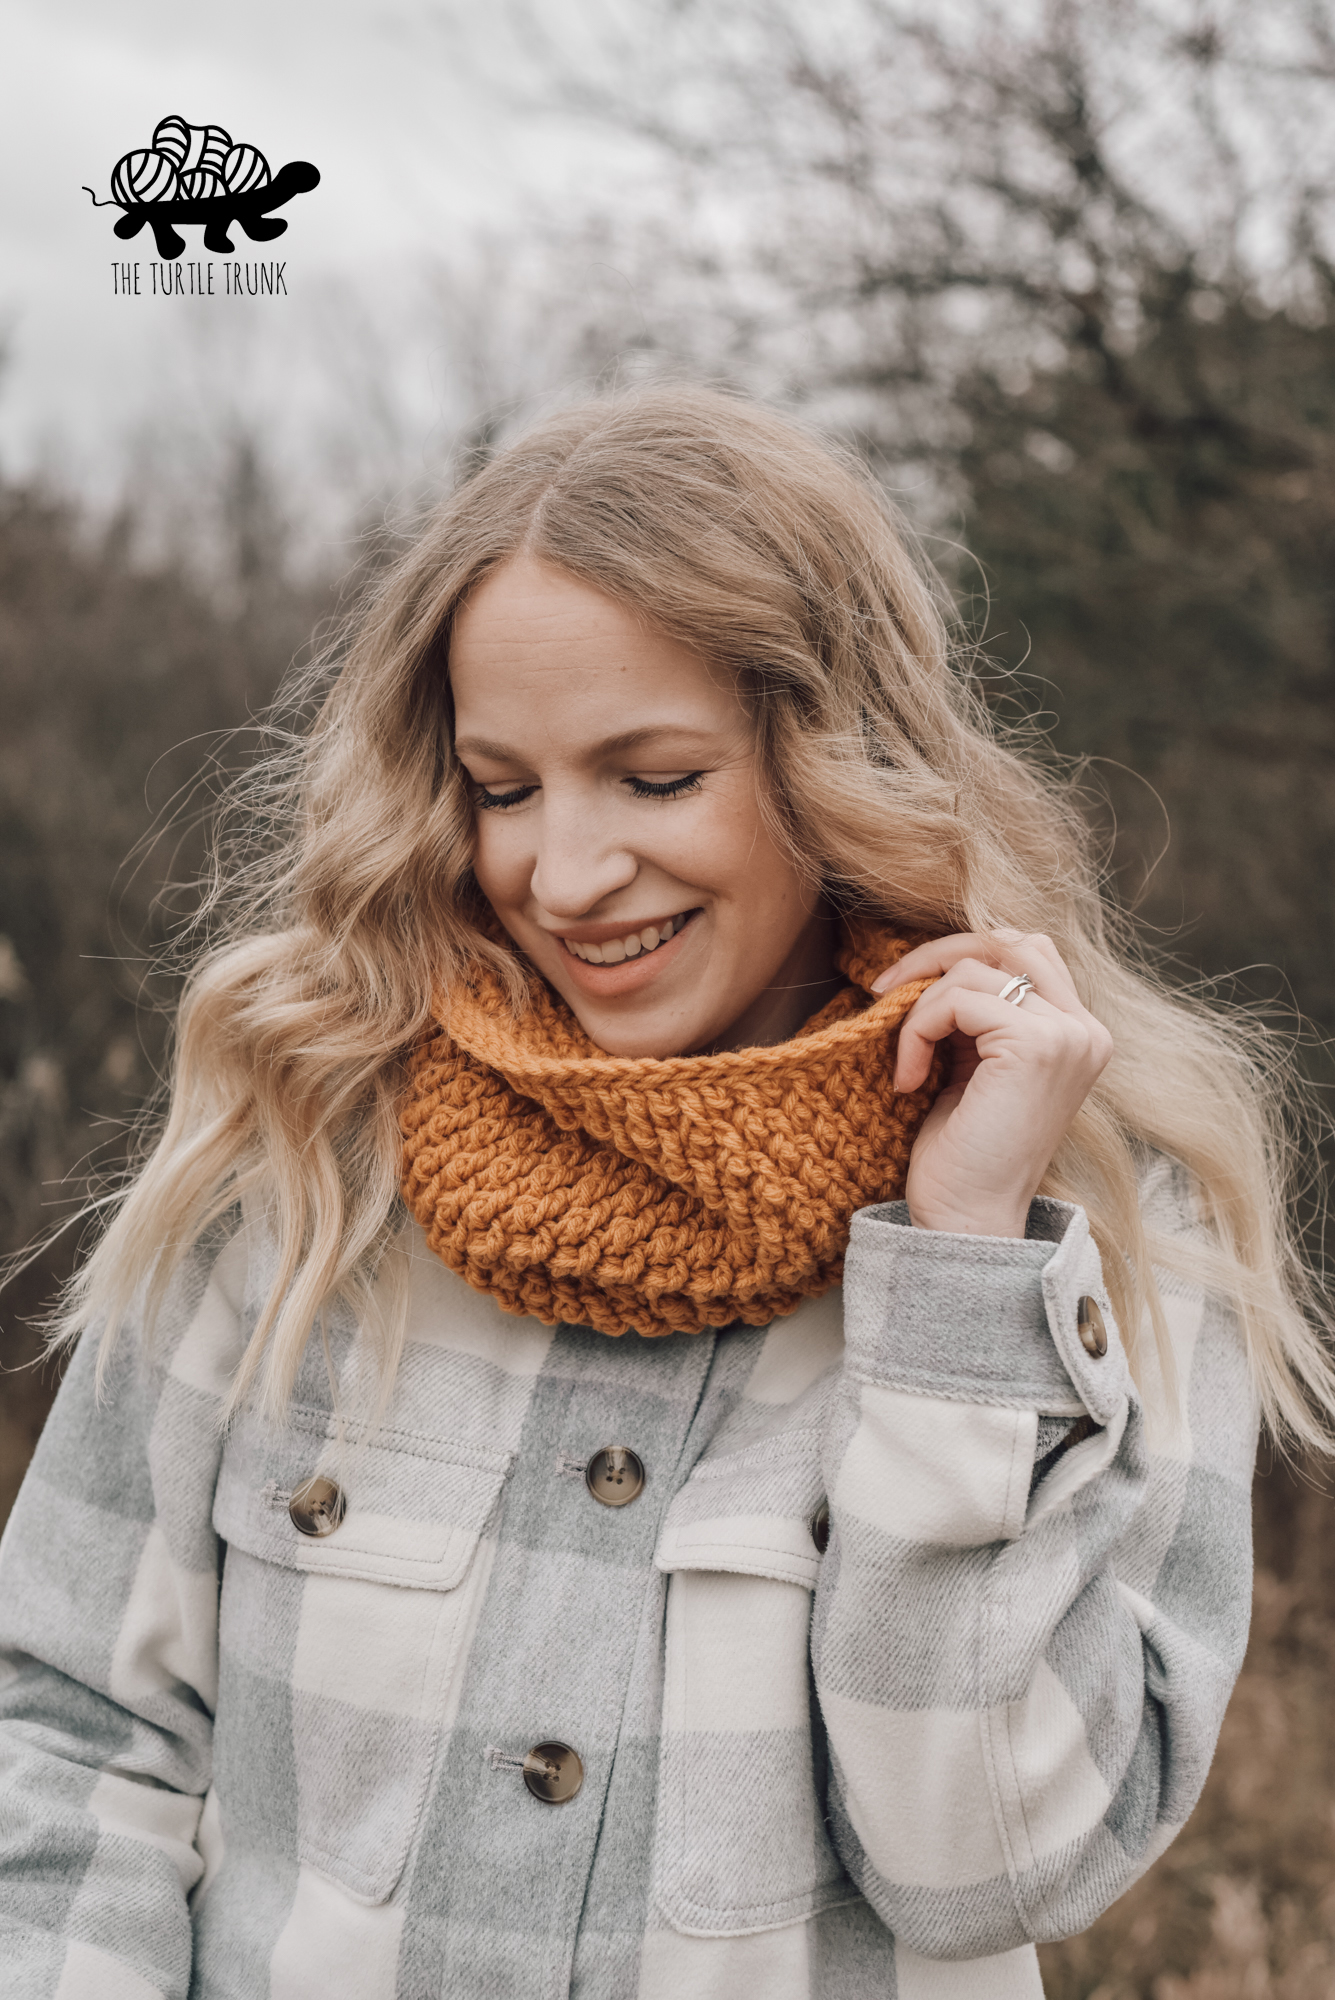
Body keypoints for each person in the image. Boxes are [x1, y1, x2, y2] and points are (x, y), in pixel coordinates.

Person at [0, 386, 1330, 2000]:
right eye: (504, 787)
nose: (561, 875)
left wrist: (961, 1279)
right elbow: (68, 1739)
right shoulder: (300, 1150)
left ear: (837, 757)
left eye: (652, 778)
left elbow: (992, 1869)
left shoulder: (1109, 1218)